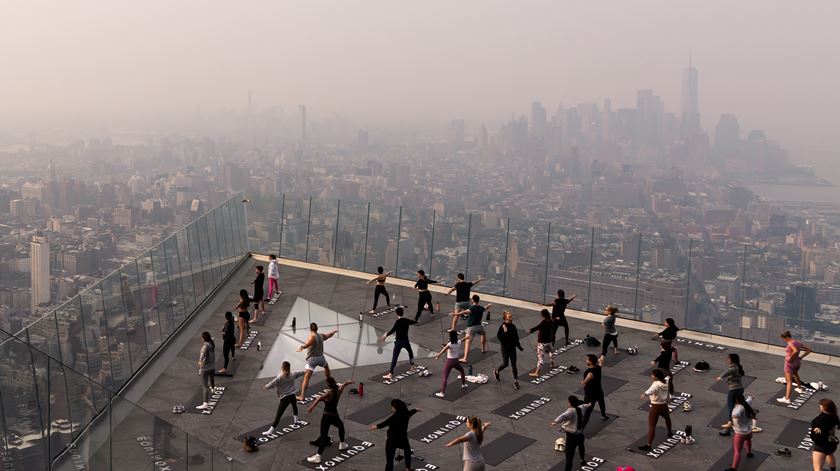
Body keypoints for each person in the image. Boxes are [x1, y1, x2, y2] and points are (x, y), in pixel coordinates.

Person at [306, 377, 353, 464]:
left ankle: (318, 456)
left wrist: (311, 407)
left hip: (327, 417)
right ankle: (342, 444)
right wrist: (348, 382)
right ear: (335, 383)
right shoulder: (338, 391)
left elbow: (319, 399)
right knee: (341, 426)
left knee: (323, 436)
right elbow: (343, 385)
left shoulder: (329, 393)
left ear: (328, 385)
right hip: (335, 415)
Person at [369, 399, 419, 471]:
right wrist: (416, 410)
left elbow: (384, 423)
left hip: (391, 440)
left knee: (389, 461)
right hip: (403, 439)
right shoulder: (406, 413)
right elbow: (411, 412)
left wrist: (375, 426)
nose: (392, 408)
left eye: (392, 407)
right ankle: (408, 468)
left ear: (395, 408)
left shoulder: (393, 417)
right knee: (407, 451)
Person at [296, 323, 339, 401]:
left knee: (306, 378)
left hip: (312, 360)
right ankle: (329, 383)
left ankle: (302, 396)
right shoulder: (320, 335)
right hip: (321, 358)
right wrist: (333, 332)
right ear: (317, 329)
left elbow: (307, 345)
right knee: (326, 367)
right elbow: (328, 335)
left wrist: (301, 347)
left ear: (310, 329)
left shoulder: (312, 337)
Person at [262, 361, 304, 435]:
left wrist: (265, 387)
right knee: (295, 407)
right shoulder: (293, 375)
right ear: (289, 368)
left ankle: (270, 431)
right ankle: (296, 421)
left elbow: (271, 384)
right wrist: (307, 371)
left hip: (285, 398)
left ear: (282, 368)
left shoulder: (279, 377)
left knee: (278, 415)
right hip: (292, 395)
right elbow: (300, 373)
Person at [550, 395, 590, 471]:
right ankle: (582, 460)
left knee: (569, 458)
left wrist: (555, 422)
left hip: (571, 438)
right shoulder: (581, 408)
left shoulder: (571, 411)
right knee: (581, 446)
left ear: (570, 402)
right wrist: (590, 403)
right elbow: (586, 405)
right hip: (580, 435)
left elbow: (563, 416)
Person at [638, 369, 673, 451]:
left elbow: (650, 391)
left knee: (652, 426)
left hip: (655, 407)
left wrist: (644, 394)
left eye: (652, 375)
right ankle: (670, 432)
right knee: (667, 418)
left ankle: (649, 445)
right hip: (664, 405)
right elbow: (669, 376)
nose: (651, 375)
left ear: (656, 377)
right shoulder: (666, 380)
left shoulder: (656, 384)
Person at [380, 307, 417, 380]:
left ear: (396, 313)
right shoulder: (406, 320)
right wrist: (417, 320)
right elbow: (413, 322)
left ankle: (390, 374)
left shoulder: (398, 322)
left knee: (395, 357)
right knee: (410, 353)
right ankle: (412, 366)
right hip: (406, 341)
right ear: (402, 313)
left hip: (399, 343)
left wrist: (385, 336)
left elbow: (392, 330)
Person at [778, 331, 812, 404]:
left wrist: (790, 358)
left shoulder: (790, 342)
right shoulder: (798, 343)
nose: (784, 340)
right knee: (795, 374)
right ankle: (799, 388)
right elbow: (809, 350)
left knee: (789, 381)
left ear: (787, 337)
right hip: (797, 362)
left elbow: (795, 351)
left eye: (784, 339)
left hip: (789, 363)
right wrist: (800, 357)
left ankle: (787, 398)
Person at [725, 393, 757, 471]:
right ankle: (749, 453)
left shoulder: (736, 410)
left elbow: (736, 416)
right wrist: (751, 397)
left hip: (739, 434)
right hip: (749, 433)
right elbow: (750, 399)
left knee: (737, 451)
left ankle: (734, 468)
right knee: (748, 441)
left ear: (735, 400)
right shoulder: (745, 403)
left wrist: (732, 419)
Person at [456, 295, 492, 363]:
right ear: (478, 300)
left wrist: (456, 313)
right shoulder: (481, 308)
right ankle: (483, 349)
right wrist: (489, 305)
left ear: (473, 300)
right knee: (483, 334)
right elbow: (485, 307)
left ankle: (465, 358)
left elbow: (465, 312)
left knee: (467, 343)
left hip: (471, 328)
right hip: (479, 327)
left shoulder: (472, 308)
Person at [716, 353, 746, 435]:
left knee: (730, 406)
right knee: (740, 405)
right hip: (739, 389)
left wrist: (720, 377)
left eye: (728, 358)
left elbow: (727, 372)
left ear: (732, 360)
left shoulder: (733, 368)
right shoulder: (738, 367)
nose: (727, 360)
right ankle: (740, 419)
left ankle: (730, 422)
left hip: (734, 390)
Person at [494, 311, 524, 390]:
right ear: (505, 318)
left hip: (512, 348)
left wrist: (519, 346)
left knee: (514, 364)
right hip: (505, 348)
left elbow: (516, 338)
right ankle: (497, 371)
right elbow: (500, 337)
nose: (511, 318)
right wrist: (505, 332)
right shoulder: (502, 326)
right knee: (505, 364)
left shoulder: (513, 326)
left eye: (511, 317)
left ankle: (515, 381)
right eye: (509, 317)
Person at [435, 329, 468, 397]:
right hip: (456, 361)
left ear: (450, 337)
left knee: (445, 377)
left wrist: (438, 355)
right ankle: (463, 384)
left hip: (450, 362)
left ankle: (442, 393)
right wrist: (467, 336)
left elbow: (443, 351)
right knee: (462, 371)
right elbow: (463, 339)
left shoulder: (449, 344)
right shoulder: (458, 342)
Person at [581, 354, 609, 427]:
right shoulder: (598, 368)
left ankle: (581, 429)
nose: (586, 360)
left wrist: (584, 382)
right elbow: (601, 363)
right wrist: (601, 358)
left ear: (590, 362)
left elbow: (588, 378)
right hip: (598, 391)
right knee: (601, 403)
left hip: (590, 395)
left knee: (587, 412)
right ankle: (603, 415)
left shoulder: (589, 372)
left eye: (587, 359)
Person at [811, 398, 839, 471]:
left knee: (817, 468)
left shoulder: (821, 421)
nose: (820, 407)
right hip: (832, 444)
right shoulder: (834, 416)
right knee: (829, 454)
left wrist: (816, 432)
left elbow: (816, 432)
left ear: (825, 407)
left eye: (821, 406)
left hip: (821, 446)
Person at [528, 309, 555, 377]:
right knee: (551, 351)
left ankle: (537, 372)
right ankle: (552, 362)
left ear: (543, 315)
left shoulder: (544, 322)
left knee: (540, 357)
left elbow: (537, 327)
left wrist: (531, 330)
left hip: (542, 342)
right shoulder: (551, 321)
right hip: (549, 341)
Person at [196, 331, 216, 410]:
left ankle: (205, 403)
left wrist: (200, 362)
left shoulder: (205, 347)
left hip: (205, 368)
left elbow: (202, 354)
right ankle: (213, 388)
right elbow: (212, 339)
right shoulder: (211, 343)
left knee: (204, 386)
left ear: (203, 338)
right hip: (212, 366)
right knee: (212, 377)